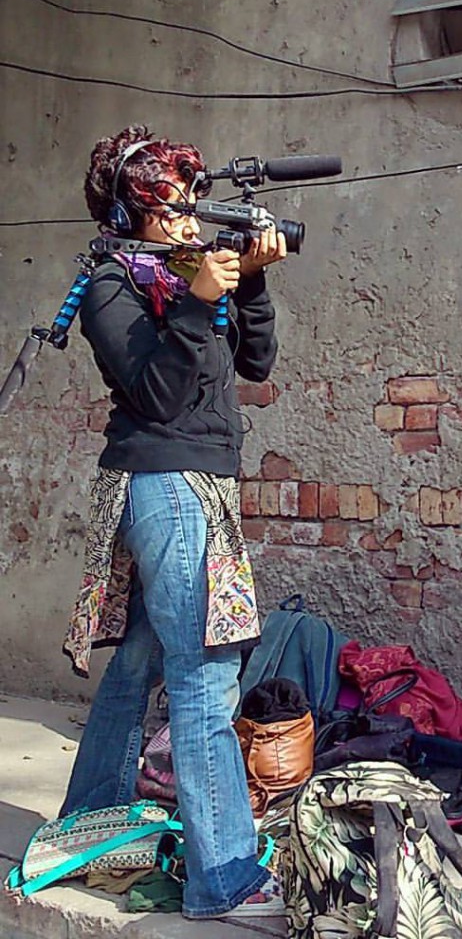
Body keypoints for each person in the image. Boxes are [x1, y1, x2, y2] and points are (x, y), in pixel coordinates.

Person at [58, 125, 288, 918]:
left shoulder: (187, 277)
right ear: (140, 209)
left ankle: (86, 826)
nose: (194, 220)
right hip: (166, 484)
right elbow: (155, 394)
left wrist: (248, 285)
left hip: (194, 485)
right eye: (179, 207)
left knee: (140, 668)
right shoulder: (113, 285)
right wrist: (198, 302)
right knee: (204, 676)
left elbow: (255, 364)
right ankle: (225, 877)